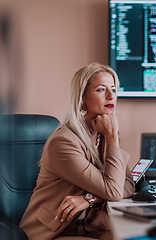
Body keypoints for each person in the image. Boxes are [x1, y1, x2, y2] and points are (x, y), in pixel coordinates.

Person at [19, 63, 135, 240]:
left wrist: (89, 198)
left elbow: (127, 185)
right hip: (54, 232)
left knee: (133, 235)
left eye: (113, 89)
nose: (111, 96)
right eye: (101, 89)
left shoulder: (104, 134)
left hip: (87, 227)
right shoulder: (63, 142)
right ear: (82, 97)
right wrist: (113, 137)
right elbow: (113, 192)